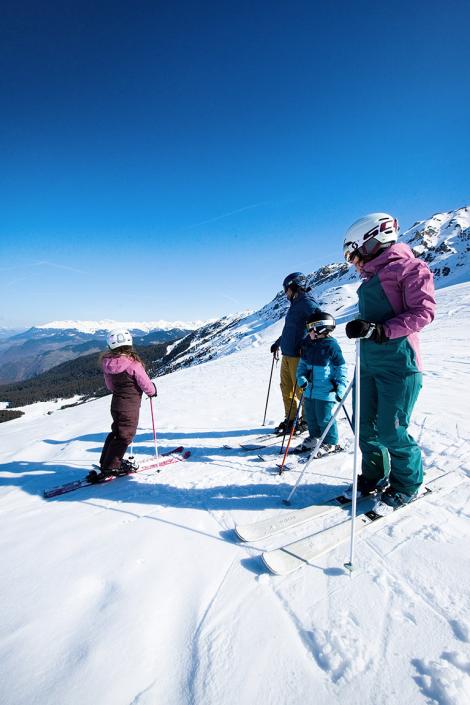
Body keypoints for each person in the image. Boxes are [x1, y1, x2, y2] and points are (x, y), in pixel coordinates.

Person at [343, 212, 436, 507]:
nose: (354, 262)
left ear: (372, 241)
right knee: (365, 428)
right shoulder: (369, 279)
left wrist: (381, 330)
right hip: (369, 365)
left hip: (400, 365)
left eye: (354, 254)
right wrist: (361, 327)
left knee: (391, 430)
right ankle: (374, 475)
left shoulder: (410, 268)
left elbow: (424, 312)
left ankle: (407, 484)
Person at [88, 328, 157, 482]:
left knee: (116, 433)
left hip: (116, 404)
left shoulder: (107, 363)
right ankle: (111, 466)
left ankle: (106, 461)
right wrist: (152, 392)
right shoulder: (133, 364)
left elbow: (110, 386)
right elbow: (144, 382)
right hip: (129, 406)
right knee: (125, 436)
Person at [270, 272, 320, 434]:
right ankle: (291, 419)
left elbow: (319, 325)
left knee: (302, 389)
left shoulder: (307, 303)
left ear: (294, 287)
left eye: (286, 290)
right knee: (286, 388)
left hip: (299, 356)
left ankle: (306, 420)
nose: (285, 294)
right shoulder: (296, 304)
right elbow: (291, 329)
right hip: (287, 354)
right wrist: (278, 343)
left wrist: (306, 344)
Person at [294, 311, 348, 456]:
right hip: (310, 389)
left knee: (324, 417)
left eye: (310, 329)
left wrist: (340, 386)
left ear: (321, 329)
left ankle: (331, 442)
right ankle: (314, 438)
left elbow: (340, 368)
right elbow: (302, 365)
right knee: (311, 416)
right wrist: (301, 378)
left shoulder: (331, 346)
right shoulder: (309, 344)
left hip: (326, 390)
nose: (308, 332)